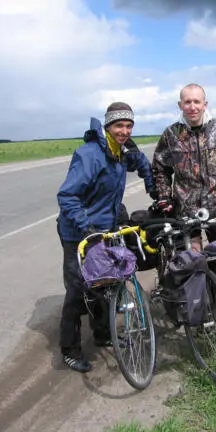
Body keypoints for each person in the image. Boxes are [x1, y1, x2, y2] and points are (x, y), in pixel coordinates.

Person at [56, 102, 155, 373]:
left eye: (128, 125)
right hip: (78, 231)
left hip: (105, 227)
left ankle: (102, 334)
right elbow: (67, 196)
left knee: (105, 282)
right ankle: (70, 350)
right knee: (77, 289)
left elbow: (141, 162)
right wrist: (85, 227)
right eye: (118, 125)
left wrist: (150, 182)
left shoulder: (121, 152)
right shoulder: (89, 155)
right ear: (107, 126)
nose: (124, 130)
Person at [151, 83, 216, 251]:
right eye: (187, 102)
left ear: (204, 104)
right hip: (185, 211)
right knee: (190, 263)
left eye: (197, 101)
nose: (192, 107)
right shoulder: (171, 134)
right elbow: (160, 169)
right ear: (180, 105)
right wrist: (164, 196)